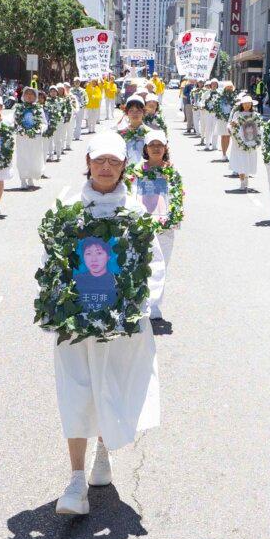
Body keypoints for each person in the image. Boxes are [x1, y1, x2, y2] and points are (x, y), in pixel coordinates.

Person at [51, 131, 162, 516]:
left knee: (109, 386)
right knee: (76, 391)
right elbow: (52, 264)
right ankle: (75, 479)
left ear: (124, 168)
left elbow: (153, 266)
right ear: (87, 162)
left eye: (114, 162)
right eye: (100, 160)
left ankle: (102, 453)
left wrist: (137, 312)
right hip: (76, 323)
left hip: (117, 325)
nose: (106, 168)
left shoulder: (134, 212)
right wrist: (57, 308)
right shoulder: (68, 208)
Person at [136, 131, 179, 320]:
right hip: (142, 225)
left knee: (161, 264)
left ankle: (154, 305)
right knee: (141, 262)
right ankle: (139, 300)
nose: (155, 148)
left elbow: (177, 198)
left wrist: (173, 218)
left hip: (164, 226)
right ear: (146, 148)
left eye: (159, 145)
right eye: (152, 144)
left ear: (165, 148)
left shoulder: (172, 171)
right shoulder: (135, 170)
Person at [14, 85, 46, 188]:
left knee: (34, 157)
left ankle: (31, 178)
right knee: (23, 157)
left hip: (35, 138)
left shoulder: (39, 109)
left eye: (32, 94)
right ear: (23, 95)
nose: (29, 96)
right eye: (27, 94)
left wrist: (39, 129)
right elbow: (14, 122)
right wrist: (20, 130)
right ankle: (23, 179)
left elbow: (44, 123)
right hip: (22, 137)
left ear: (35, 96)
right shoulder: (19, 108)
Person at [229, 94, 261, 191]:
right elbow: (231, 126)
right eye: (245, 104)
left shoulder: (255, 115)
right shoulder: (237, 114)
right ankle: (242, 182)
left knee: (249, 161)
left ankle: (246, 182)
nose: (247, 105)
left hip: (250, 141)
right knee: (241, 161)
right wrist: (233, 126)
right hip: (239, 143)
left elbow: (258, 127)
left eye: (249, 104)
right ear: (241, 104)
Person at [116, 95, 151, 165]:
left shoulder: (150, 133)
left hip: (145, 172)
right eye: (131, 110)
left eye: (138, 110)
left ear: (143, 112)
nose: (135, 113)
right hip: (125, 172)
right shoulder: (120, 134)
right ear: (127, 113)